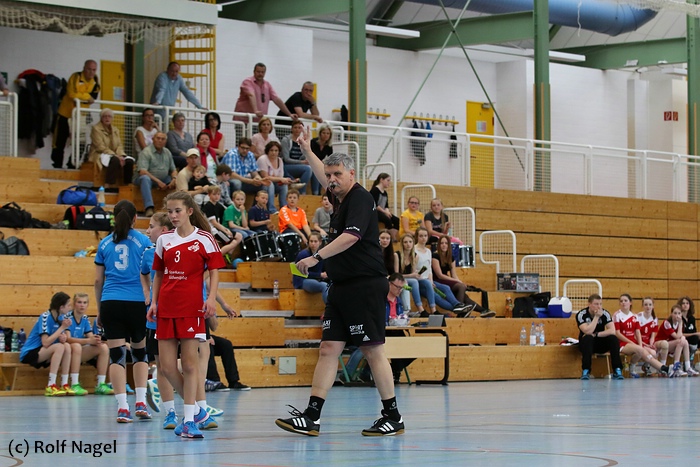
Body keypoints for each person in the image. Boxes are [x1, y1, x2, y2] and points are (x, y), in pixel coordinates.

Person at [275, 129, 404, 437]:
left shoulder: (360, 197)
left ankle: (393, 416)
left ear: (352, 175)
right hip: (341, 287)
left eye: (337, 175)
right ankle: (312, 416)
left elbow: (351, 237)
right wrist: (307, 148)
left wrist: (316, 257)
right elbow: (322, 174)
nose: (331, 180)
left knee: (372, 350)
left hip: (365, 284)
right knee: (328, 348)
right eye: (330, 175)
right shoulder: (339, 195)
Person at [148, 190, 226, 439]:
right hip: (166, 308)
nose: (173, 215)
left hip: (191, 308)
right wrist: (154, 302)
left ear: (189, 211)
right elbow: (159, 273)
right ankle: (199, 413)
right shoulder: (164, 240)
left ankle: (190, 419)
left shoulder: (204, 238)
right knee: (167, 367)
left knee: (190, 365)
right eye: (169, 211)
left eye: (177, 211)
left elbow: (214, 270)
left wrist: (211, 298)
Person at [94, 200, 152, 422]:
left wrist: (100, 309)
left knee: (117, 355)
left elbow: (98, 281)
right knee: (139, 352)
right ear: (135, 218)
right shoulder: (144, 241)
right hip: (137, 301)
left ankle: (122, 408)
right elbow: (151, 272)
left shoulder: (104, 243)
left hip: (111, 301)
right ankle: (141, 402)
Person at [19, 292, 73, 396]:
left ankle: (64, 383)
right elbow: (46, 342)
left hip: (44, 351)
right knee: (59, 347)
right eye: (68, 305)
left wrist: (63, 337)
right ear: (61, 307)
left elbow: (56, 338)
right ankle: (51, 385)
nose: (70, 308)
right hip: (31, 352)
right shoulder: (45, 317)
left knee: (66, 346)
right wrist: (62, 328)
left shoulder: (60, 318)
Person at [51, 60, 99, 168]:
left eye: (94, 70)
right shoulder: (76, 77)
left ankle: (72, 165)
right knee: (59, 141)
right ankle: (57, 165)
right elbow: (72, 94)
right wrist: (86, 96)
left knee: (81, 142)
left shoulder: (95, 80)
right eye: (89, 69)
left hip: (81, 116)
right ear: (84, 68)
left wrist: (82, 95)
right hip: (65, 113)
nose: (91, 72)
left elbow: (94, 98)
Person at [432, 235, 494, 318]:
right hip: (437, 280)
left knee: (463, 293)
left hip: (446, 279)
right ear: (439, 245)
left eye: (446, 243)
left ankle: (481, 310)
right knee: (460, 287)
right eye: (442, 243)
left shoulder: (451, 257)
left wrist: (459, 281)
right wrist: (457, 282)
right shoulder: (435, 256)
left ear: (449, 245)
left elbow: (454, 274)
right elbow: (439, 275)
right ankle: (463, 311)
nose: (444, 245)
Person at [414, 227, 469, 317]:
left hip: (428, 280)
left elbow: (428, 269)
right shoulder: (414, 250)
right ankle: (458, 309)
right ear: (417, 237)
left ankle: (458, 305)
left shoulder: (428, 251)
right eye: (421, 236)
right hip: (418, 281)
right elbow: (414, 269)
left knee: (446, 288)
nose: (423, 238)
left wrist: (431, 281)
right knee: (436, 295)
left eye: (425, 236)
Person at [65, 292, 112, 395]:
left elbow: (90, 336)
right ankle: (74, 384)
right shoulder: (67, 317)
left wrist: (96, 340)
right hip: (67, 353)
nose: (82, 305)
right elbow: (67, 339)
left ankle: (100, 384)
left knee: (103, 347)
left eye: (85, 303)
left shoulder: (85, 319)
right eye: (79, 302)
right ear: (74, 304)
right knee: (76, 346)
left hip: (79, 352)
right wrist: (88, 341)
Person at [612, 294, 670, 378]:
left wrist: (639, 344)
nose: (623, 303)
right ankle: (664, 368)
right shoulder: (617, 315)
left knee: (649, 352)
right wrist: (633, 343)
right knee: (640, 350)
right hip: (622, 343)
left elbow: (637, 332)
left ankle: (662, 368)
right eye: (621, 301)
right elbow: (617, 333)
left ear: (630, 303)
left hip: (633, 343)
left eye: (625, 301)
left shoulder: (634, 316)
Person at [221, 137, 276, 213]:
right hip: (229, 181)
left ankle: (261, 210)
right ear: (238, 146)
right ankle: (235, 208)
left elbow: (254, 172)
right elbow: (231, 174)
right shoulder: (232, 154)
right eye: (243, 148)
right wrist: (250, 181)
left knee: (267, 185)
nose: (245, 150)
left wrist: (258, 179)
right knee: (237, 183)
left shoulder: (250, 155)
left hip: (245, 181)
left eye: (247, 148)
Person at [576, 293, 624, 380]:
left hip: (600, 342)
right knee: (588, 338)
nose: (599, 307)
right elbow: (587, 331)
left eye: (600, 304)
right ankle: (586, 370)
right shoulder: (581, 314)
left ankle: (617, 369)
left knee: (613, 338)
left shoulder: (605, 313)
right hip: (586, 344)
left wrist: (597, 334)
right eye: (596, 304)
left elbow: (612, 330)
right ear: (589, 304)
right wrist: (596, 317)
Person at [133, 132, 177, 217]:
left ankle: (173, 208)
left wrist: (174, 179)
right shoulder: (146, 152)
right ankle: (149, 208)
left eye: (163, 139)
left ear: (165, 141)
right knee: (145, 178)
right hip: (145, 179)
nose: (160, 141)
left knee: (175, 181)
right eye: (158, 138)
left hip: (163, 179)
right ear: (153, 139)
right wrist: (158, 182)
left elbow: (173, 170)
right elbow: (142, 171)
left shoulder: (167, 152)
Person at [89, 108, 133, 187]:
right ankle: (108, 184)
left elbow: (119, 145)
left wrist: (121, 155)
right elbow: (99, 146)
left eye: (109, 116)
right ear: (101, 118)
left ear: (112, 118)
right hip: (100, 153)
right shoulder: (96, 129)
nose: (107, 118)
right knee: (115, 160)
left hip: (114, 153)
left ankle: (127, 185)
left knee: (129, 161)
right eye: (105, 116)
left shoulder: (115, 130)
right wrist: (114, 155)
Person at [394, 233, 430, 317]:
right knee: (408, 284)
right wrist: (411, 275)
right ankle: (417, 309)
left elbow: (413, 274)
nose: (408, 244)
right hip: (398, 280)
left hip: (408, 281)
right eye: (405, 242)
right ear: (402, 244)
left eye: (410, 242)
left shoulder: (415, 256)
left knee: (418, 282)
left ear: (413, 243)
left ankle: (429, 308)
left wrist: (416, 275)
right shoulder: (397, 255)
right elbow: (396, 275)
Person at [202, 186, 243, 258]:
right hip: (213, 230)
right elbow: (214, 223)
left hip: (218, 229)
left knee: (239, 236)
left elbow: (226, 213)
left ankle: (228, 254)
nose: (217, 196)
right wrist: (226, 230)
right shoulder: (208, 206)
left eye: (218, 194)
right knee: (231, 241)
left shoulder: (219, 205)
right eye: (214, 194)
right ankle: (216, 258)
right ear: (209, 195)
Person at [656, 304, 694, 377]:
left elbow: (680, 335)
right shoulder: (667, 323)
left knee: (685, 342)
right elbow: (677, 337)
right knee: (680, 341)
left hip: (671, 344)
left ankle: (688, 367)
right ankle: (676, 367)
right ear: (671, 314)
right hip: (660, 345)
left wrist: (683, 337)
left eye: (679, 313)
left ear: (681, 314)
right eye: (675, 313)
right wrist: (680, 324)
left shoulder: (678, 323)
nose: (677, 315)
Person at [293, 232, 329, 304]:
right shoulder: (303, 254)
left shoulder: (322, 254)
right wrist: (319, 275)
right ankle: (329, 307)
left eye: (315, 241)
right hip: (303, 280)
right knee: (324, 286)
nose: (313, 244)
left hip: (317, 279)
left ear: (320, 242)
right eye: (311, 241)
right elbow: (301, 273)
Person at [637, 297, 669, 376]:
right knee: (653, 353)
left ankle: (661, 366)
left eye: (650, 304)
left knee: (664, 344)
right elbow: (636, 335)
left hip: (649, 342)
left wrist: (651, 344)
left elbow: (652, 335)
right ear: (642, 306)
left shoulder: (654, 319)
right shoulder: (638, 317)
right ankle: (657, 368)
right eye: (646, 305)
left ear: (653, 306)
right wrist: (646, 345)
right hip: (639, 342)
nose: (648, 307)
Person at [257, 141, 294, 209]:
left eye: (276, 150)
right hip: (262, 183)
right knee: (270, 183)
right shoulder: (263, 159)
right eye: (271, 150)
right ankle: (271, 209)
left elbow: (280, 177)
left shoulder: (280, 160)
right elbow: (265, 177)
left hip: (274, 183)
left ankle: (284, 208)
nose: (274, 152)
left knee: (284, 185)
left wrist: (285, 180)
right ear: (267, 151)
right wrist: (281, 179)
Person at [280, 121, 313, 194]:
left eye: (299, 128)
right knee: (308, 169)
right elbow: (286, 159)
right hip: (286, 165)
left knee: (314, 168)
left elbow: (304, 156)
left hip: (298, 165)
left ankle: (316, 193)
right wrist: (302, 162)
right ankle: (302, 192)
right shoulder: (286, 140)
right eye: (295, 127)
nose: (297, 129)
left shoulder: (302, 140)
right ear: (291, 129)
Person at [370, 173, 399, 241]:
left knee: (396, 220)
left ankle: (393, 236)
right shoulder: (375, 190)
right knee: (387, 220)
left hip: (382, 211)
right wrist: (384, 212)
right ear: (381, 180)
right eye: (388, 180)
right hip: (374, 212)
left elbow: (386, 205)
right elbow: (375, 204)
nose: (389, 182)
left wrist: (387, 212)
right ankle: (390, 237)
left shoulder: (385, 192)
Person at [309, 124, 333, 194]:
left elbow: (331, 158)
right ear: (320, 133)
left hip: (318, 164)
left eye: (328, 133)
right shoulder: (313, 142)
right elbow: (309, 154)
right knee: (317, 170)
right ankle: (315, 192)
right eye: (324, 133)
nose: (326, 135)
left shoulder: (328, 146)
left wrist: (325, 161)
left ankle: (320, 192)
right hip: (309, 162)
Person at [678, 296, 700, 364]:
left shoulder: (692, 318)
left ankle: (692, 357)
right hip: (682, 339)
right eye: (683, 303)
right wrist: (694, 334)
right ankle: (690, 360)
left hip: (692, 340)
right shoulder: (679, 318)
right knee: (694, 338)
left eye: (687, 303)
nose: (685, 305)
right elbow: (679, 334)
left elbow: (694, 331)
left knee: (696, 338)